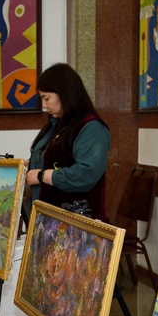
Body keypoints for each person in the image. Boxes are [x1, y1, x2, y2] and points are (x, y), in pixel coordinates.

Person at [24, 63, 110, 222]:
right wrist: (29, 164)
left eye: (46, 98)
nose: (44, 106)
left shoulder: (91, 128)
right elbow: (56, 158)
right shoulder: (57, 124)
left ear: (64, 93)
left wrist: (42, 176)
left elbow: (86, 173)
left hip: (73, 226)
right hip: (45, 220)